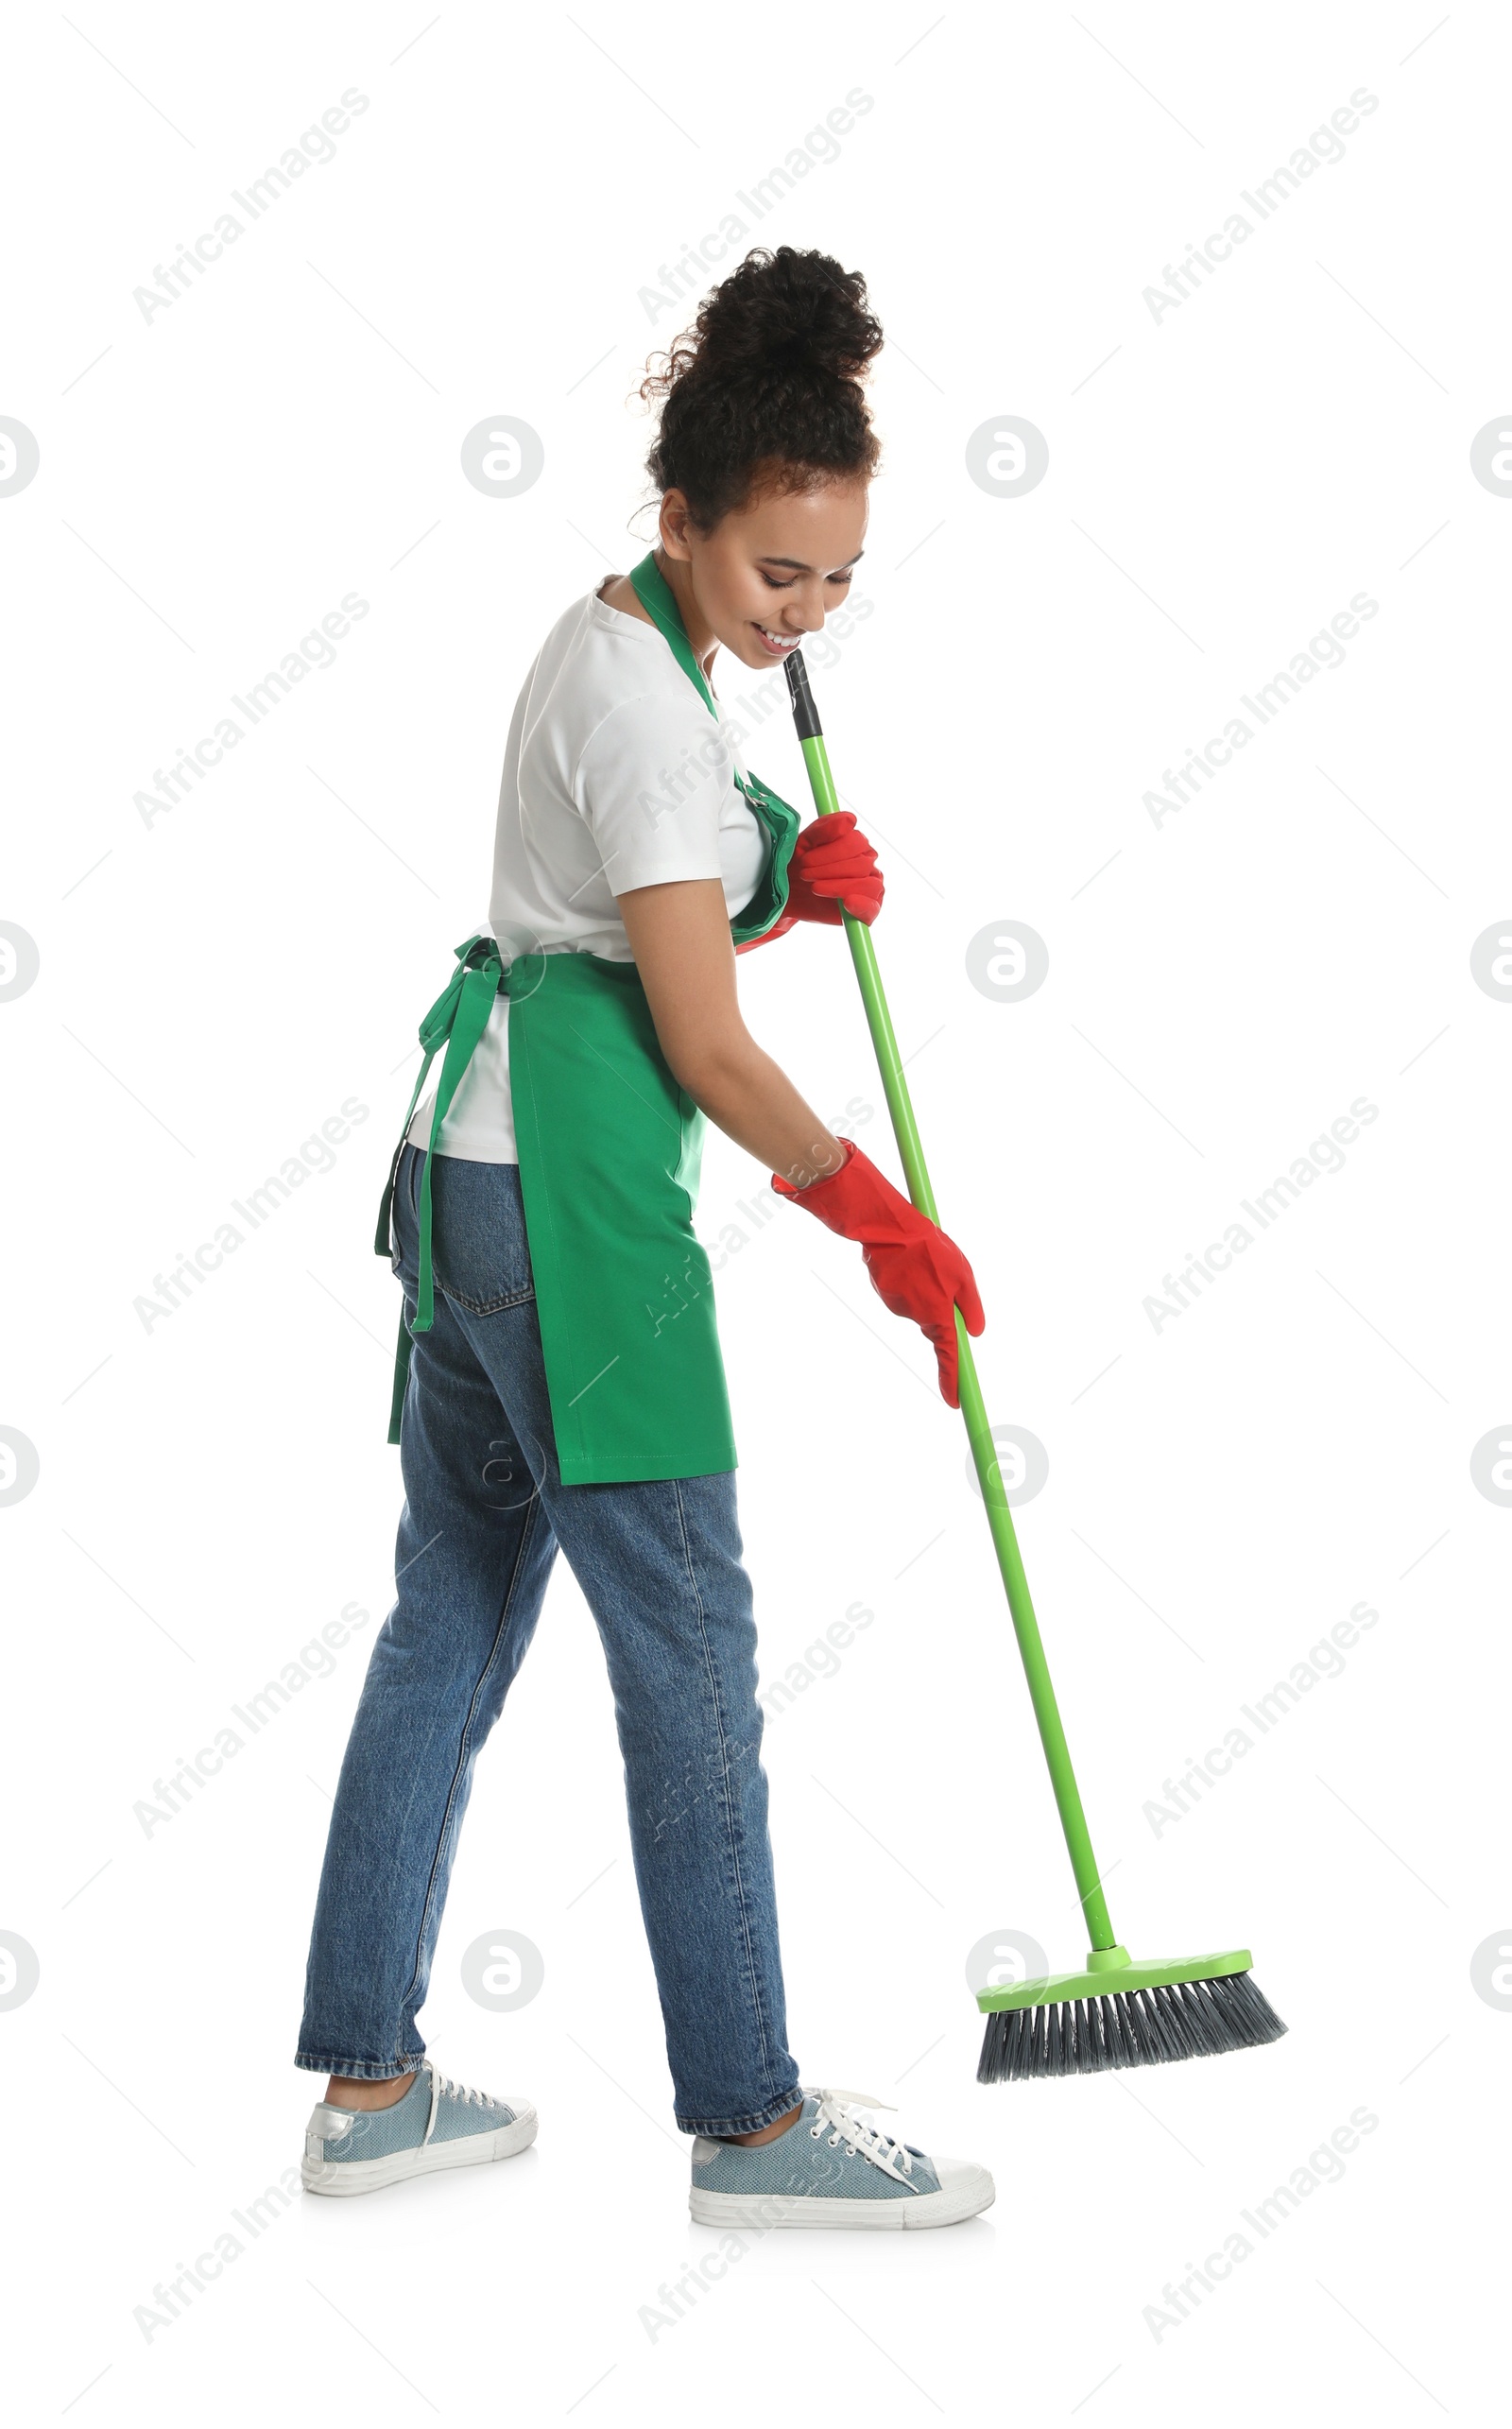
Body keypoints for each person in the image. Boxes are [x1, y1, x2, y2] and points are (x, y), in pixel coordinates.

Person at [295, 245, 994, 2229]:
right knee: (689, 1653)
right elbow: (695, 1029)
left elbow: (650, 854)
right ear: (676, 512)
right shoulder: (661, 718)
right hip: (575, 1213)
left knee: (449, 1618)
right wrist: (873, 1210)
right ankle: (752, 2121)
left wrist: (785, 862)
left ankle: (367, 2085)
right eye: (776, 571)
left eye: (840, 575)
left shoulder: (611, 642)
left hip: (467, 1169)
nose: (806, 614)